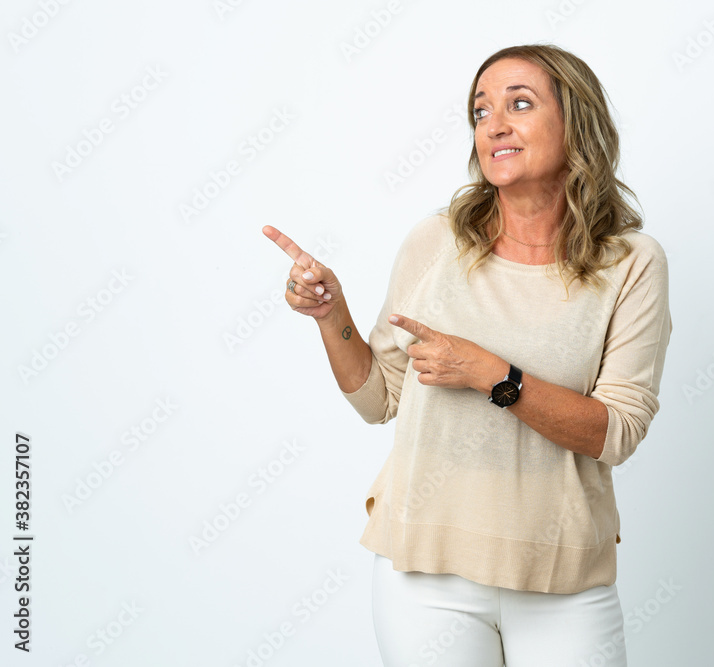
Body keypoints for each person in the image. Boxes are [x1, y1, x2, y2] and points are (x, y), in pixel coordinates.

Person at [263, 43, 671, 667]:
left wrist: (490, 374)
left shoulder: (632, 263)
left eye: (520, 104)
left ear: (576, 123)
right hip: (424, 572)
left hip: (562, 575)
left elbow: (616, 432)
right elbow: (381, 400)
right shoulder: (435, 241)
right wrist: (331, 314)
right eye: (481, 111)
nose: (494, 125)